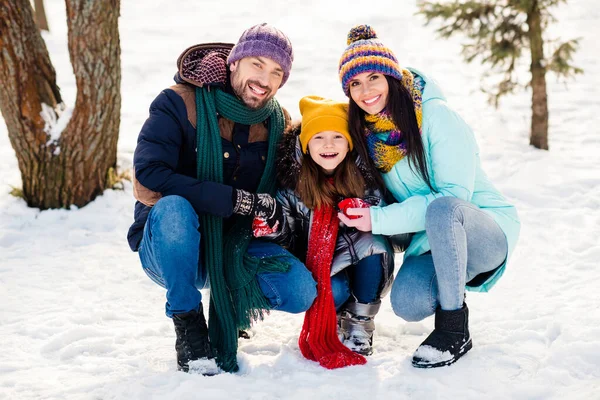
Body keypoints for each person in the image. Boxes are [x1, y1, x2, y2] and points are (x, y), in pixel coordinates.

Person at [126, 23, 318, 374]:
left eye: (276, 72)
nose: (265, 78)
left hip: (235, 246)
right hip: (171, 247)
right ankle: (189, 324)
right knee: (174, 207)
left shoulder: (277, 122)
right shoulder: (178, 102)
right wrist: (237, 200)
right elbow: (149, 176)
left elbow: (291, 189)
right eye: (257, 64)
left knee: (300, 290)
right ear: (234, 62)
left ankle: (232, 306)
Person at [336, 25, 521, 368]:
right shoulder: (371, 138)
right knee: (408, 302)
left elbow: (454, 197)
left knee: (443, 207)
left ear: (391, 76)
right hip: (431, 241)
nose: (366, 90)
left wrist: (380, 219)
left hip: (483, 231)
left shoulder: (437, 117)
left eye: (374, 77)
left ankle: (454, 330)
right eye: (355, 84)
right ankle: (448, 289)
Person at [255, 96, 396, 368]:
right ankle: (341, 307)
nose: (328, 145)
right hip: (318, 263)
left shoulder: (364, 175)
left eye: (337, 137)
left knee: (373, 242)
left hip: (360, 259)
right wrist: (273, 226)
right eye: (318, 137)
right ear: (306, 144)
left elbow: (383, 210)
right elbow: (288, 236)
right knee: (335, 289)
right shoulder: (291, 181)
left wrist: (365, 212)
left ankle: (361, 320)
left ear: (349, 143)